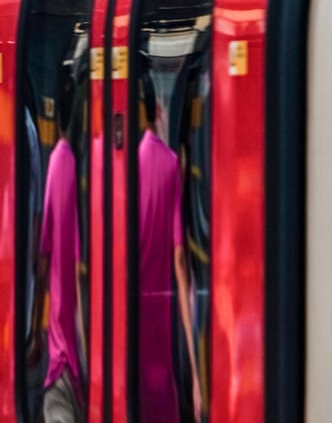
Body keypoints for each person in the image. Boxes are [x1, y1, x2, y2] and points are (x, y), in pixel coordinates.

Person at [137, 76, 199, 423]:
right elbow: (179, 260)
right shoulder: (171, 164)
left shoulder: (124, 166)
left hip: (130, 322)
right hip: (160, 324)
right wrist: (193, 365)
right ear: (157, 111)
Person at [36, 63, 86, 422]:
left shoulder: (58, 162)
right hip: (85, 340)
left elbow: (43, 253)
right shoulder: (90, 168)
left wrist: (34, 329)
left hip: (62, 346)